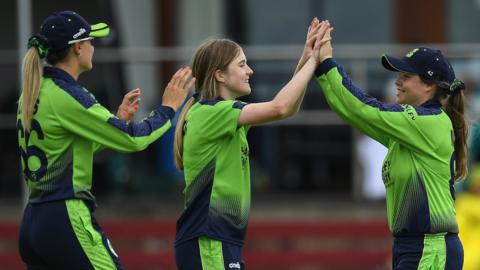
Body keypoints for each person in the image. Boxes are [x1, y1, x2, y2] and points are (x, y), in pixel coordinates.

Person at [17, 11, 193, 269]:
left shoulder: (33, 92)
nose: (93, 47)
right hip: (64, 217)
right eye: (90, 41)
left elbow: (68, 149)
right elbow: (134, 139)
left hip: (33, 220)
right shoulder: (69, 94)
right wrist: (168, 109)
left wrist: (115, 120)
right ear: (78, 48)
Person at [172, 18, 330, 269]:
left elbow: (286, 109)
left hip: (220, 240)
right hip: (208, 240)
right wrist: (314, 60)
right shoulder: (211, 113)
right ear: (220, 74)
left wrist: (306, 55)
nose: (250, 71)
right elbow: (280, 107)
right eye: (242, 64)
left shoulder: (225, 114)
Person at [313, 23, 466, 269]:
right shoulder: (408, 131)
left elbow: (364, 107)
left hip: (430, 247)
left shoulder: (426, 123)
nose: (398, 82)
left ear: (429, 84)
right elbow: (353, 113)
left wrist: (328, 62)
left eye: (406, 76)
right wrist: (320, 66)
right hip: (414, 246)